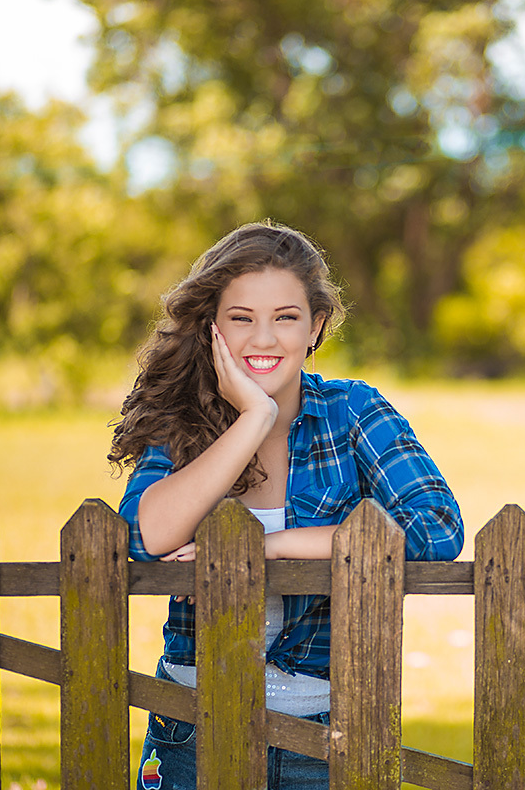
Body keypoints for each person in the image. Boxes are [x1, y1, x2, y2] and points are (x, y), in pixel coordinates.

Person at [108, 221, 465, 790]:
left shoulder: (354, 413)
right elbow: (140, 536)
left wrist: (268, 548)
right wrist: (253, 419)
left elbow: (436, 529)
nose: (264, 339)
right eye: (242, 318)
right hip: (191, 728)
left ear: (316, 326)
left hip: (326, 731)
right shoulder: (184, 419)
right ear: (212, 329)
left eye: (286, 318)